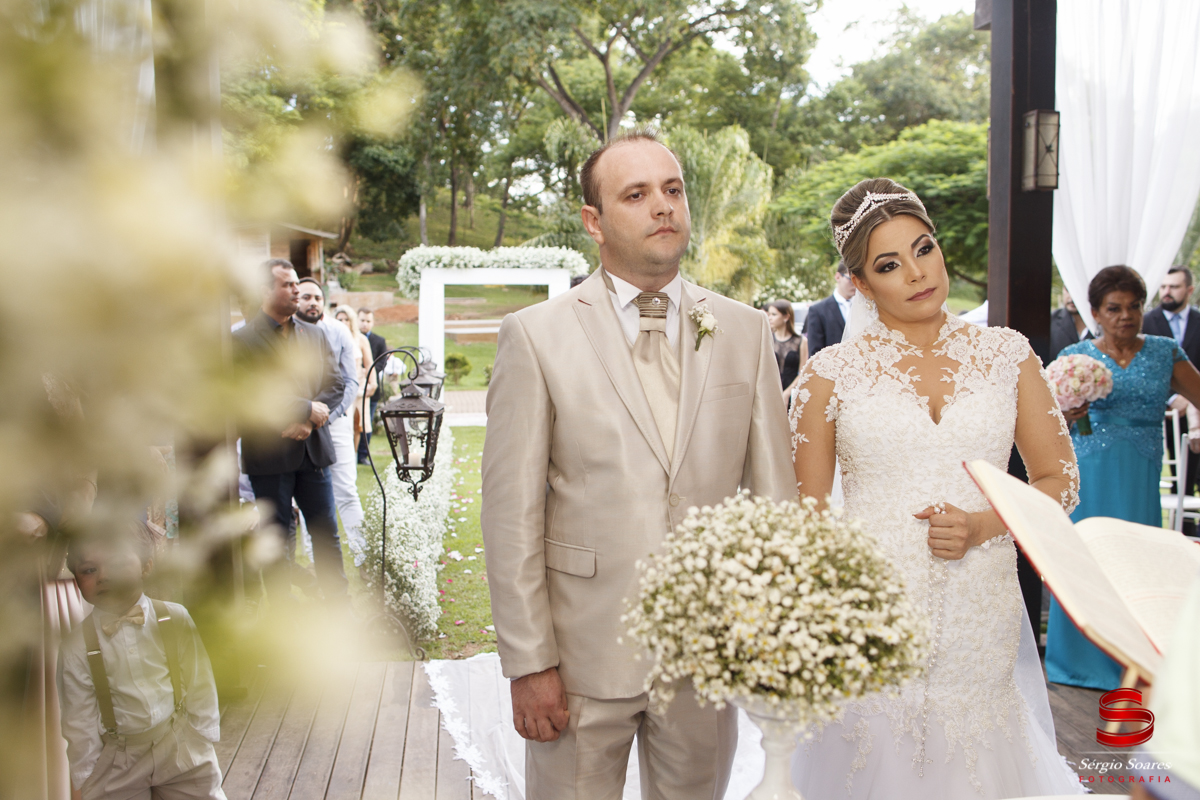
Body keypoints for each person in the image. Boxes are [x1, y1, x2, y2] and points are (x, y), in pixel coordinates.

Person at [481, 128, 795, 800]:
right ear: (594, 221)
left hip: (705, 657)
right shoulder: (536, 336)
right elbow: (511, 513)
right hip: (578, 659)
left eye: (673, 189)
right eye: (637, 193)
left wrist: (768, 633)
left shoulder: (742, 331)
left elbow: (774, 502)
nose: (663, 206)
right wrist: (530, 661)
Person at [788, 178, 1083, 799]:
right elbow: (804, 522)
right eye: (889, 265)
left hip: (981, 610)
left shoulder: (1009, 356)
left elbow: (1059, 481)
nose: (917, 273)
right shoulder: (827, 375)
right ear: (862, 285)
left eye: (925, 249)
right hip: (871, 619)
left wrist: (982, 525)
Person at [1045, 265, 1200, 690]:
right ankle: (1077, 661)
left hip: (1140, 473)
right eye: (1114, 308)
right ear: (1095, 311)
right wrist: (1067, 413)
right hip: (1090, 472)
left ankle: (1136, 661)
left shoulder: (1166, 351)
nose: (1125, 316)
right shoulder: (1074, 360)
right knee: (1087, 559)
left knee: (1138, 560)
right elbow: (1045, 423)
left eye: (1134, 307)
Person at [57, 522, 225, 800]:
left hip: (178, 744)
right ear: (75, 579)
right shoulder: (76, 646)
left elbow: (200, 681)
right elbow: (79, 719)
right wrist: (85, 777)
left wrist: (202, 736)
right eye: (89, 570)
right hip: (117, 760)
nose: (104, 576)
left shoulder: (174, 618)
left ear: (146, 566)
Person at [233, 259, 348, 603]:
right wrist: (304, 408)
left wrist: (309, 418)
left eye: (296, 283)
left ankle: (340, 611)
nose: (297, 290)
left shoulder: (314, 333)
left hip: (313, 452)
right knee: (277, 541)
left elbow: (336, 382)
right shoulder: (241, 341)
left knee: (326, 535)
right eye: (288, 285)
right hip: (269, 456)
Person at [295, 279, 367, 568]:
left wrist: (327, 417)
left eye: (317, 297)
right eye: (306, 297)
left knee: (347, 489)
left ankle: (364, 556)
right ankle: (314, 562)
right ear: (295, 300)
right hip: (298, 423)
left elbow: (350, 381)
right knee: (308, 495)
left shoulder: (338, 332)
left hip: (334, 422)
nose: (313, 302)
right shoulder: (287, 333)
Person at [1143, 265, 1200, 510]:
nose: (1166, 292)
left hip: (1197, 403)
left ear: (1189, 290)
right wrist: (1174, 396)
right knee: (1177, 480)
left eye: (1174, 287)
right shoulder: (1145, 322)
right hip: (1164, 411)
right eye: (1163, 286)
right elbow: (1142, 367)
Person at [334, 306, 377, 453]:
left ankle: (354, 455)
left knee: (357, 424)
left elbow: (369, 362)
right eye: (340, 319)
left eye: (347, 319)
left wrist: (373, 383)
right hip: (339, 388)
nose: (344, 322)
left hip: (359, 387)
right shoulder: (332, 337)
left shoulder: (361, 339)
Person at [801, 260, 855, 356]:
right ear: (838, 277)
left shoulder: (866, 308)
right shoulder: (818, 310)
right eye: (850, 279)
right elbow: (815, 353)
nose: (855, 285)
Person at [356, 308, 388, 465]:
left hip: (370, 389)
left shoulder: (379, 341)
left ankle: (363, 454)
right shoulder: (351, 338)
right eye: (362, 320)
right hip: (354, 387)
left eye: (368, 321)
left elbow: (382, 361)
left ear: (372, 322)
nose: (364, 324)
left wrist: (369, 372)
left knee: (366, 422)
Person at [766, 299, 807, 403]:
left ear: (786, 317)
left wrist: (788, 392)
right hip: (769, 392)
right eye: (769, 314)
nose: (769, 318)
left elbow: (803, 372)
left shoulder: (801, 341)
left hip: (792, 395)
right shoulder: (767, 339)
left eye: (774, 314)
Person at [1049, 286, 1093, 361]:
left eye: (1078, 292)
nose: (1072, 297)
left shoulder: (1101, 325)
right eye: (1068, 290)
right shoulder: (1051, 321)